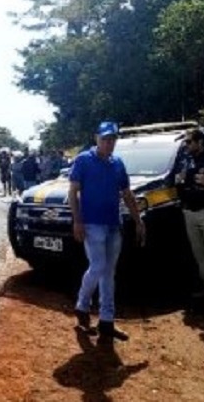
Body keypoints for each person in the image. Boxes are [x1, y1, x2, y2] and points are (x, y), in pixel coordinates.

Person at [69, 122, 145, 341]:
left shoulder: (117, 163)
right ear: (96, 139)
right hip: (92, 224)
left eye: (112, 139)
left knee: (109, 273)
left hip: (113, 224)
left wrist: (138, 220)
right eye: (105, 139)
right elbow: (73, 192)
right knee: (99, 266)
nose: (109, 143)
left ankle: (107, 321)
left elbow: (127, 193)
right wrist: (77, 221)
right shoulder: (83, 160)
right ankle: (82, 305)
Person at [175, 128, 204, 307]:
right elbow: (180, 186)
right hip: (190, 213)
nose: (186, 145)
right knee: (199, 253)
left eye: (189, 142)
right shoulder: (187, 163)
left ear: (200, 142)